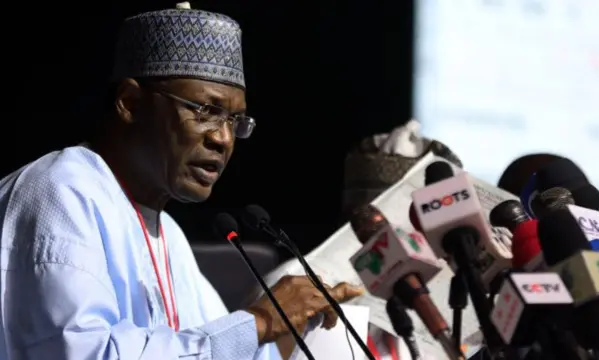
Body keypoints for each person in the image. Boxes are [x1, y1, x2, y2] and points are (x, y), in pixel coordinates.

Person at [0, 3, 362, 359]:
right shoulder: (62, 190)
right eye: (206, 111)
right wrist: (261, 322)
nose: (223, 139)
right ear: (130, 102)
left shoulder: (168, 233)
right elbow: (82, 353)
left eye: (235, 121)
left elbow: (221, 349)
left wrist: (295, 319)